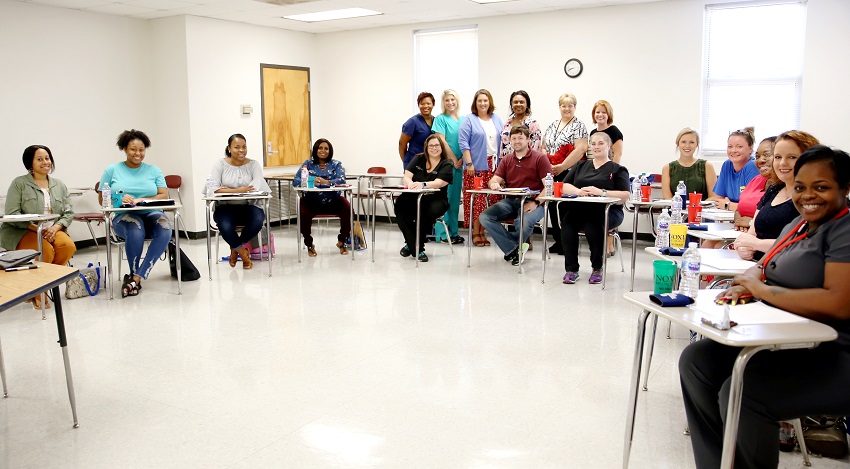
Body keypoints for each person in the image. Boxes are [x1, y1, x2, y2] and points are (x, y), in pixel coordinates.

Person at [679, 145, 850, 469]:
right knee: (696, 361)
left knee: (744, 392)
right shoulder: (797, 227)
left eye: (821, 187)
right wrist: (743, 285)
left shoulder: (844, 230)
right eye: (800, 187)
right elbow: (760, 267)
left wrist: (761, 290)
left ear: (845, 187)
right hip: (787, 340)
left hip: (836, 350)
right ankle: (717, 463)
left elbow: (838, 303)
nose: (808, 196)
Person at [1, 145, 76, 309]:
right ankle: (38, 293)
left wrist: (56, 228)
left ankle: (42, 285)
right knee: (45, 251)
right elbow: (12, 214)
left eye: (47, 158)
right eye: (39, 159)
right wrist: (38, 230)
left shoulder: (59, 185)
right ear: (30, 163)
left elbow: (69, 212)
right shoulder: (19, 183)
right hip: (24, 230)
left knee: (67, 246)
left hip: (52, 229)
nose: (45, 162)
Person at [99, 129, 171, 298]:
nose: (137, 153)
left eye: (141, 149)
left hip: (151, 212)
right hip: (124, 216)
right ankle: (133, 272)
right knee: (135, 228)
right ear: (124, 149)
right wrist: (119, 198)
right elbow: (102, 198)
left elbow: (164, 194)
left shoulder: (154, 170)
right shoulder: (112, 170)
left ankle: (136, 277)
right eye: (133, 149)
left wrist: (142, 199)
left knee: (166, 227)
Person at [733, 131, 819, 261]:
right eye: (778, 157)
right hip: (756, 265)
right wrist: (743, 247)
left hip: (788, 270)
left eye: (792, 157)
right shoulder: (774, 189)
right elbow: (751, 233)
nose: (782, 163)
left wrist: (757, 244)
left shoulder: (815, 198)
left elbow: (805, 244)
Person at [560, 132, 630, 285]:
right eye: (593, 143)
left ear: (608, 146)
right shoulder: (581, 165)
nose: (596, 147)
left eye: (600, 143)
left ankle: (597, 267)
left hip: (608, 211)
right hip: (581, 208)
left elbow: (624, 196)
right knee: (568, 223)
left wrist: (601, 192)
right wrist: (578, 192)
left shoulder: (618, 169)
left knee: (593, 223)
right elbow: (564, 186)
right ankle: (571, 269)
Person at [479, 126, 551, 266]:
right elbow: (494, 180)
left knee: (522, 222)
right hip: (511, 201)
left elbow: (549, 187)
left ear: (528, 139)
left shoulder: (540, 158)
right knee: (485, 217)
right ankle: (514, 248)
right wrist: (494, 184)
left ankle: (512, 248)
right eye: (514, 138)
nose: (517, 141)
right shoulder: (506, 159)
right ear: (509, 140)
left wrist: (536, 203)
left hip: (534, 202)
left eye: (520, 138)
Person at [206, 134, 272, 269]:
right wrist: (239, 190)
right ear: (229, 148)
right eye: (237, 147)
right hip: (225, 207)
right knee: (224, 225)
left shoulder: (253, 164)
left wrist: (226, 189)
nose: (241, 150)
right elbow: (212, 188)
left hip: (248, 206)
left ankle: (235, 248)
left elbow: (256, 185)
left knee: (258, 220)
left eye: (244, 147)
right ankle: (242, 252)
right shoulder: (220, 164)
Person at [541, 93, 589, 254]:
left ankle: (568, 241)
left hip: (569, 172)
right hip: (552, 172)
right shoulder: (553, 124)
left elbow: (581, 149)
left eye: (570, 105)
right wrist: (549, 165)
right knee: (552, 206)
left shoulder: (579, 125)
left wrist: (562, 166)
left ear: (575, 107)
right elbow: (544, 147)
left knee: (565, 208)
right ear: (559, 107)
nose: (566, 108)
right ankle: (558, 240)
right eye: (563, 105)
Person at [395, 134, 453, 262]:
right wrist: (409, 184)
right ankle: (415, 247)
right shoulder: (419, 158)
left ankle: (414, 247)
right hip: (414, 196)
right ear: (426, 148)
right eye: (431, 145)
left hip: (436, 199)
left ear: (441, 147)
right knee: (400, 206)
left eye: (437, 145)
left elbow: (439, 183)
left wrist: (423, 184)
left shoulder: (447, 164)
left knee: (425, 212)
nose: (434, 148)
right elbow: (406, 176)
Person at [458, 89, 504, 247]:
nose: (483, 103)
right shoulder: (469, 119)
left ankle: (483, 232)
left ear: (490, 102)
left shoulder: (496, 119)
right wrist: (469, 163)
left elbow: (503, 141)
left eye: (485, 100)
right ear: (475, 103)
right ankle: (476, 233)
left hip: (494, 165)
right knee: (477, 200)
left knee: (490, 200)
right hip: (476, 166)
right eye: (480, 101)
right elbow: (463, 143)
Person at [292, 138, 351, 257]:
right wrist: (312, 180)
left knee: (348, 209)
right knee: (303, 213)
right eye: (320, 148)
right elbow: (296, 181)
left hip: (333, 200)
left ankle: (342, 241)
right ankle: (309, 244)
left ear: (330, 151)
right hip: (312, 200)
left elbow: (341, 180)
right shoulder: (308, 164)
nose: (323, 151)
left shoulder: (336, 164)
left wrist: (326, 182)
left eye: (326, 148)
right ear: (315, 149)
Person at [432, 89, 466, 245]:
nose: (450, 102)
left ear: (457, 100)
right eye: (447, 100)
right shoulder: (440, 119)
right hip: (447, 164)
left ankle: (453, 232)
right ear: (443, 102)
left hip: (460, 166)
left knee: (454, 200)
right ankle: (442, 234)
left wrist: (463, 160)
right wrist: (454, 159)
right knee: (444, 199)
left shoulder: (463, 119)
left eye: (453, 99)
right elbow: (442, 141)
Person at [661, 128, 718, 200]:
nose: (687, 146)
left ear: (697, 144)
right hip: (675, 209)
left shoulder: (707, 166)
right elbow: (667, 197)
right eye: (683, 142)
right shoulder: (667, 168)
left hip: (701, 210)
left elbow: (713, 196)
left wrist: (697, 207)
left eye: (692, 142)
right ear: (678, 143)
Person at [712, 127, 760, 212]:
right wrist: (731, 205)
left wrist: (728, 205)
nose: (733, 150)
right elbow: (718, 200)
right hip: (730, 218)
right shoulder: (727, 165)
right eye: (730, 147)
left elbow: (754, 206)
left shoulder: (752, 166)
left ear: (750, 149)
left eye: (739, 147)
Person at [734, 137, 777, 230]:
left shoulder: (784, 186)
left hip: (765, 236)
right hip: (742, 232)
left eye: (767, 155)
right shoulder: (756, 180)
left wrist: (751, 223)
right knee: (709, 243)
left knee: (718, 245)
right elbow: (739, 209)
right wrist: (739, 222)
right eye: (757, 156)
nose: (760, 160)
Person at [399, 92, 435, 170]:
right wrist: (407, 162)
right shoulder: (412, 122)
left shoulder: (436, 121)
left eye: (428, 103)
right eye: (422, 104)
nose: (425, 106)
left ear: (433, 104)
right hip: (414, 162)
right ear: (418, 105)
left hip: (430, 163)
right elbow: (402, 144)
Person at [499, 90, 542, 157]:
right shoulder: (507, 123)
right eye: (515, 102)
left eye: (521, 102)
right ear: (512, 105)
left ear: (527, 105)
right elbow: (502, 147)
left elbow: (535, 149)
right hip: (507, 164)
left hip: (526, 165)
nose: (518, 104)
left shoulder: (533, 124)